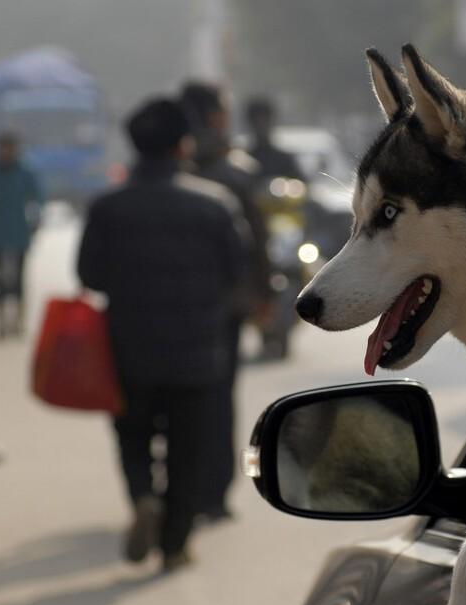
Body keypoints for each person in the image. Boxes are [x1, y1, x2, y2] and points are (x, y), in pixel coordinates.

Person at [77, 96, 249, 569]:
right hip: (198, 352)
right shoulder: (215, 205)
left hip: (128, 349)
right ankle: (175, 546)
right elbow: (238, 272)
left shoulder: (108, 207)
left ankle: (141, 498)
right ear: (183, 145)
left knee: (132, 434)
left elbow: (89, 274)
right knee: (187, 448)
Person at [180, 81, 271, 523]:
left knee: (174, 402)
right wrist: (263, 294)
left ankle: (177, 488)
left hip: (171, 310)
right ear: (216, 116)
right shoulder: (233, 172)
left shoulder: (166, 165)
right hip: (222, 309)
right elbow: (256, 241)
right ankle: (211, 495)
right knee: (216, 400)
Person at [0, 131, 43, 337]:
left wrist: (35, 220)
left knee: (19, 280)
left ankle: (18, 322)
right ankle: (1, 323)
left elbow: (38, 198)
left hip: (19, 231)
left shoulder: (25, 172)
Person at [244, 97, 304, 182]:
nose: (261, 125)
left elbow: (301, 185)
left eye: (265, 119)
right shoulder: (242, 160)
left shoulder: (284, 161)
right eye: (257, 120)